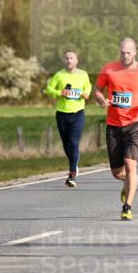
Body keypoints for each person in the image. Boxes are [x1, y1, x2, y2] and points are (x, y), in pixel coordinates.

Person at [95, 38, 138, 220]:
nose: (125, 56)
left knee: (130, 164)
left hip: (136, 123)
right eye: (122, 52)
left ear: (135, 52)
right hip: (114, 125)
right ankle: (129, 181)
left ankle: (127, 207)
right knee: (117, 172)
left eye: (128, 52)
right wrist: (101, 99)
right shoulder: (109, 69)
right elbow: (97, 90)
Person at [45, 50, 92, 187]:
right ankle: (74, 163)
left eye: (72, 58)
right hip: (62, 113)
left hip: (78, 112)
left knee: (73, 142)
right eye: (67, 58)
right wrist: (60, 92)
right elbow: (49, 89)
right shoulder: (59, 75)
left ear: (76, 60)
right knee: (66, 144)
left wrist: (86, 93)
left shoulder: (83, 75)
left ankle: (72, 174)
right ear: (64, 61)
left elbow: (88, 86)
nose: (69, 60)